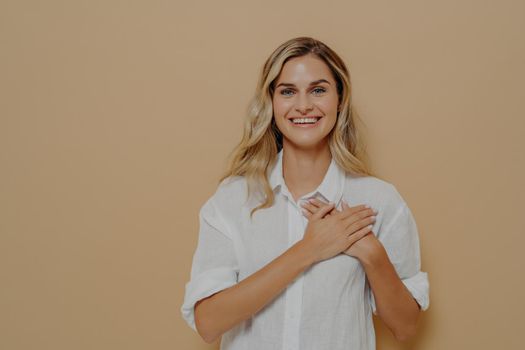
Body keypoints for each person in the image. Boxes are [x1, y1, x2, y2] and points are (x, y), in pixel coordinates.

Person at [181, 36, 429, 350]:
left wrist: (372, 253)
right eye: (287, 91)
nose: (303, 105)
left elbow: (406, 327)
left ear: (340, 99)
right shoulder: (233, 200)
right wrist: (310, 249)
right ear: (271, 102)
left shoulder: (379, 201)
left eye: (318, 90)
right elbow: (208, 323)